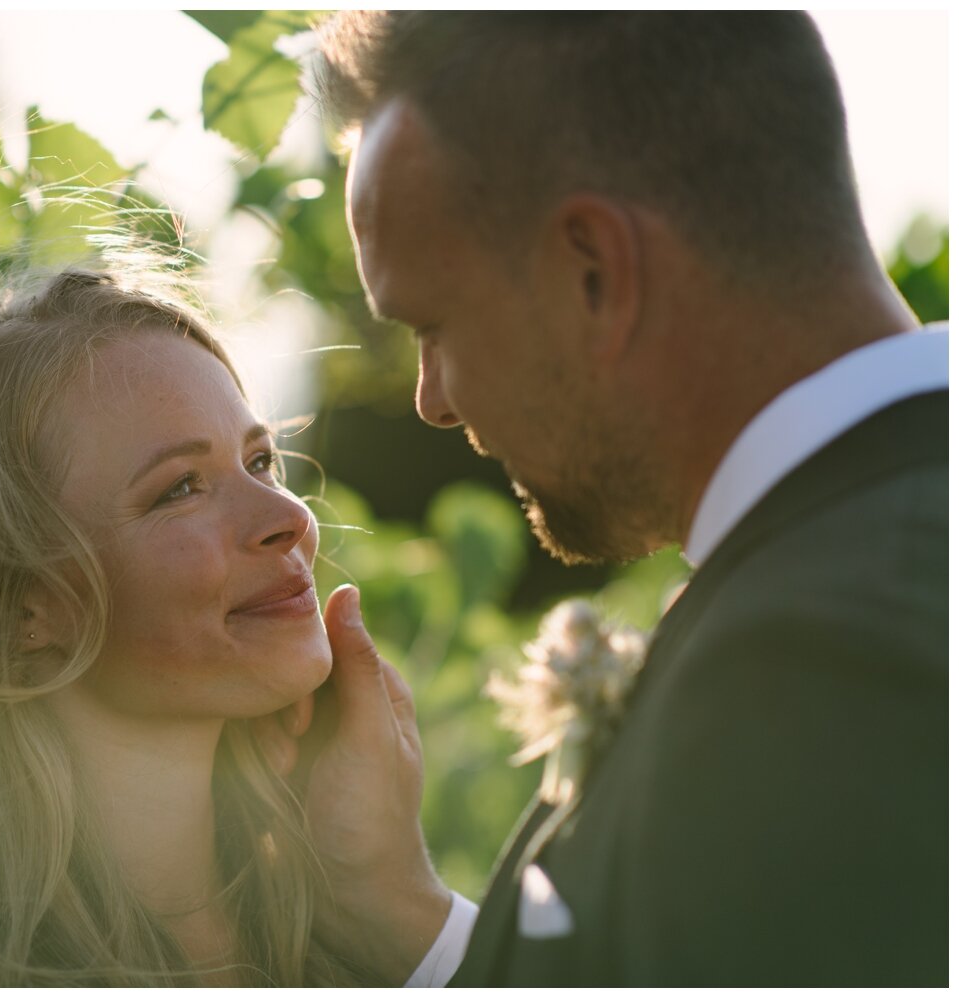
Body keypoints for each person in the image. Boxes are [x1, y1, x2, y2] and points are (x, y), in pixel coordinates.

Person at [285, 10, 947, 986]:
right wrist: (398, 912)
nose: (429, 399)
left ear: (592, 272)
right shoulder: (854, 558)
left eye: (431, 324)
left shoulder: (829, 663)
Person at [0, 263, 376, 986]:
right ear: (16, 605)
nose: (290, 519)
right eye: (180, 488)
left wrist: (392, 891)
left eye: (260, 461)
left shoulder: (346, 918)